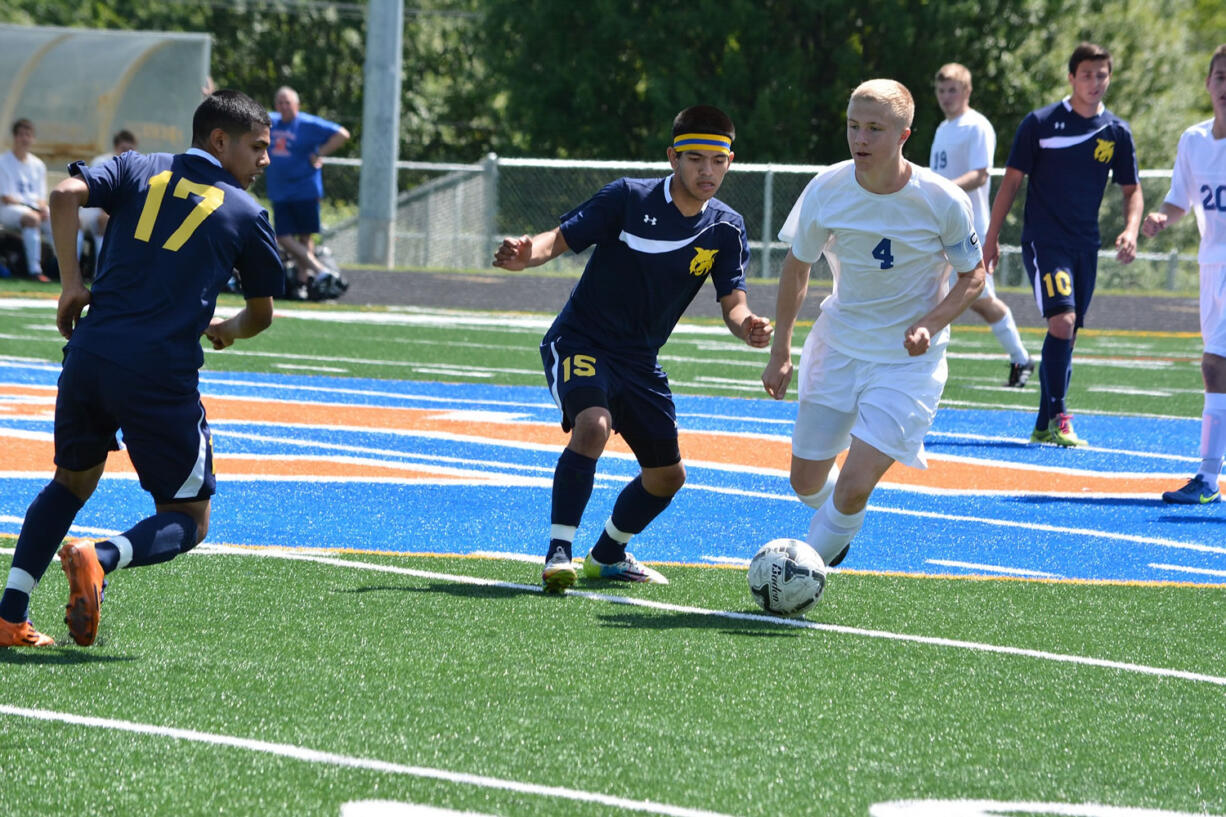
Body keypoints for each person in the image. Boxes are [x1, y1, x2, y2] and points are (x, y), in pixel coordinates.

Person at [0, 89, 284, 648]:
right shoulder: (249, 214)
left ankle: (10, 614)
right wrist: (228, 328)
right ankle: (99, 557)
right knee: (188, 516)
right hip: (158, 372)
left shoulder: (136, 166)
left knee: (71, 482)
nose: (266, 160)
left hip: (89, 353)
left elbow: (63, 195)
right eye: (258, 147)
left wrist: (71, 285)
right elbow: (262, 314)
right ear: (220, 141)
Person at [492, 105, 772, 592]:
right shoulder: (626, 197)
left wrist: (747, 325)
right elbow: (557, 240)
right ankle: (560, 550)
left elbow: (733, 302)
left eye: (718, 161)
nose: (707, 171)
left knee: (667, 477)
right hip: (582, 340)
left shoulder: (726, 227)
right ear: (672, 158)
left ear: (731, 161)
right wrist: (526, 256)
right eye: (695, 159)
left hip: (640, 360)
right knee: (593, 424)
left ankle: (608, 554)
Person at [762, 79, 986, 569]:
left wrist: (930, 322)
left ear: (904, 135)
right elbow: (797, 268)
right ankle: (836, 531)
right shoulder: (827, 188)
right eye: (853, 126)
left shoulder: (942, 199)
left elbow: (974, 276)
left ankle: (797, 575)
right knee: (804, 481)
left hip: (907, 365)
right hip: (838, 347)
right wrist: (782, 349)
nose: (860, 139)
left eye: (874, 129)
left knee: (854, 485)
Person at [983, 42, 1143, 447]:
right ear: (1071, 77)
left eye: (1101, 75)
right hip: (1045, 240)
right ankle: (1059, 416)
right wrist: (991, 237)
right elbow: (1011, 182)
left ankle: (1042, 423)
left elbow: (1132, 191)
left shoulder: (1117, 132)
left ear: (1109, 78)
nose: (1094, 82)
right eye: (1086, 74)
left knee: (1067, 335)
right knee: (1062, 322)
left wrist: (1130, 229)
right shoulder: (1040, 123)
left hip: (1085, 245)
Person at [1141, 44, 1226, 504]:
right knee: (1216, 368)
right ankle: (1208, 480)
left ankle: (1208, 478)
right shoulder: (1194, 140)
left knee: (1215, 368)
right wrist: (1160, 218)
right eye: (1220, 77)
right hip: (1212, 267)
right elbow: (1181, 198)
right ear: (1209, 83)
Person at [929, 63, 1034, 387]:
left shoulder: (977, 126)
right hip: (939, 225)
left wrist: (943, 191)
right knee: (928, 289)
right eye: (942, 90)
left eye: (953, 90)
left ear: (967, 91)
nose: (947, 97)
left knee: (981, 299)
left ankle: (1022, 358)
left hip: (969, 226)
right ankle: (919, 359)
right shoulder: (942, 128)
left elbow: (980, 174)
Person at [266, 86, 349, 298]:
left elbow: (342, 134)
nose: (284, 106)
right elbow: (239, 117)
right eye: (280, 102)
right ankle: (321, 271)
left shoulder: (309, 124)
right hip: (280, 190)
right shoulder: (271, 121)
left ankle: (303, 284)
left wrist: (319, 152)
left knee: (305, 237)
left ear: (297, 105)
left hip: (305, 188)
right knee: (283, 236)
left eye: (288, 102)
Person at [0, 118, 53, 282]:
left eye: (28, 135)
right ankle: (34, 270)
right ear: (14, 137)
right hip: (8, 210)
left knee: (59, 219)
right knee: (31, 218)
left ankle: (59, 266)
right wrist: (33, 210)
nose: (24, 139)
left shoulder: (38, 165)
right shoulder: (3, 161)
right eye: (21, 135)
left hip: (32, 209)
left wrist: (42, 208)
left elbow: (41, 198)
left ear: (33, 138)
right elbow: (6, 197)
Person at [78, 129, 139, 266]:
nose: (127, 153)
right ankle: (100, 270)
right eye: (123, 149)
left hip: (120, 211)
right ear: (116, 148)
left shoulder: (139, 166)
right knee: (105, 220)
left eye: (131, 149)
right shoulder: (102, 162)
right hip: (93, 209)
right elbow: (94, 192)